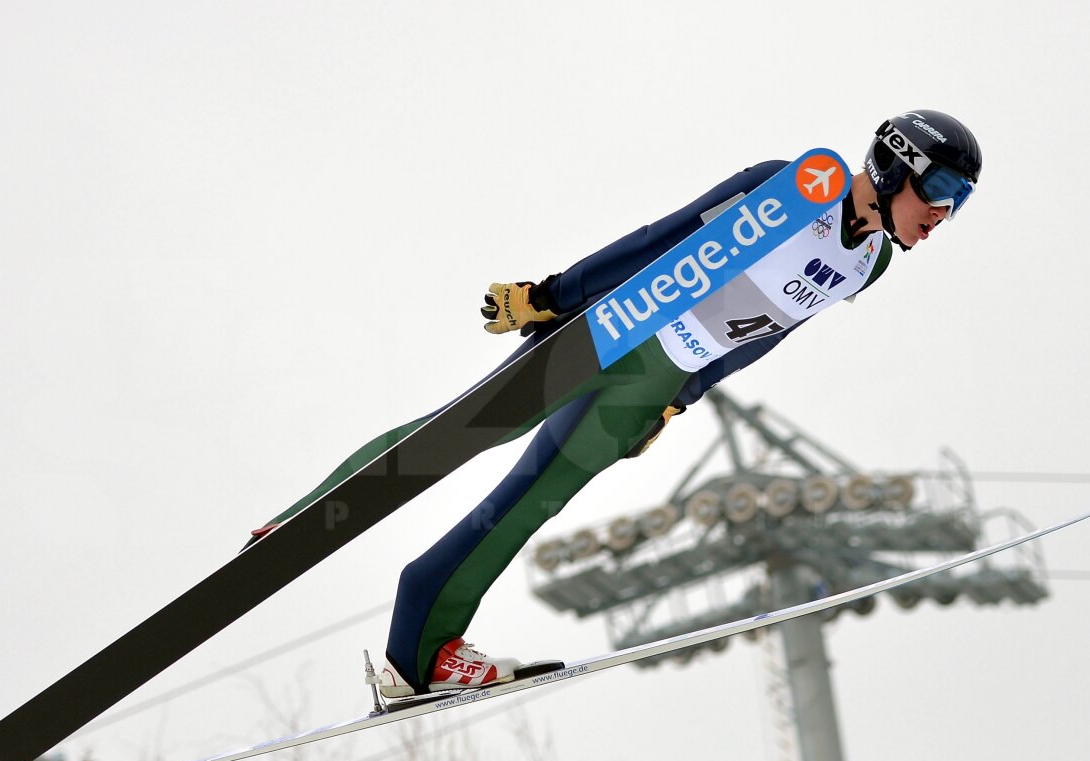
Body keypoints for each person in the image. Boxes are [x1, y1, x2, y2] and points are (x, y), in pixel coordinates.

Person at [245, 110, 982, 698]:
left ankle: (420, 652)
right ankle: (305, 518)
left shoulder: (870, 261)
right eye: (941, 192)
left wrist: (678, 402)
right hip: (615, 328)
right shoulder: (796, 187)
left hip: (656, 379)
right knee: (461, 431)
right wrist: (552, 295)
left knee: (533, 500)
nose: (943, 214)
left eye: (960, 203)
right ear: (896, 165)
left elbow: (762, 336)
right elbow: (661, 238)